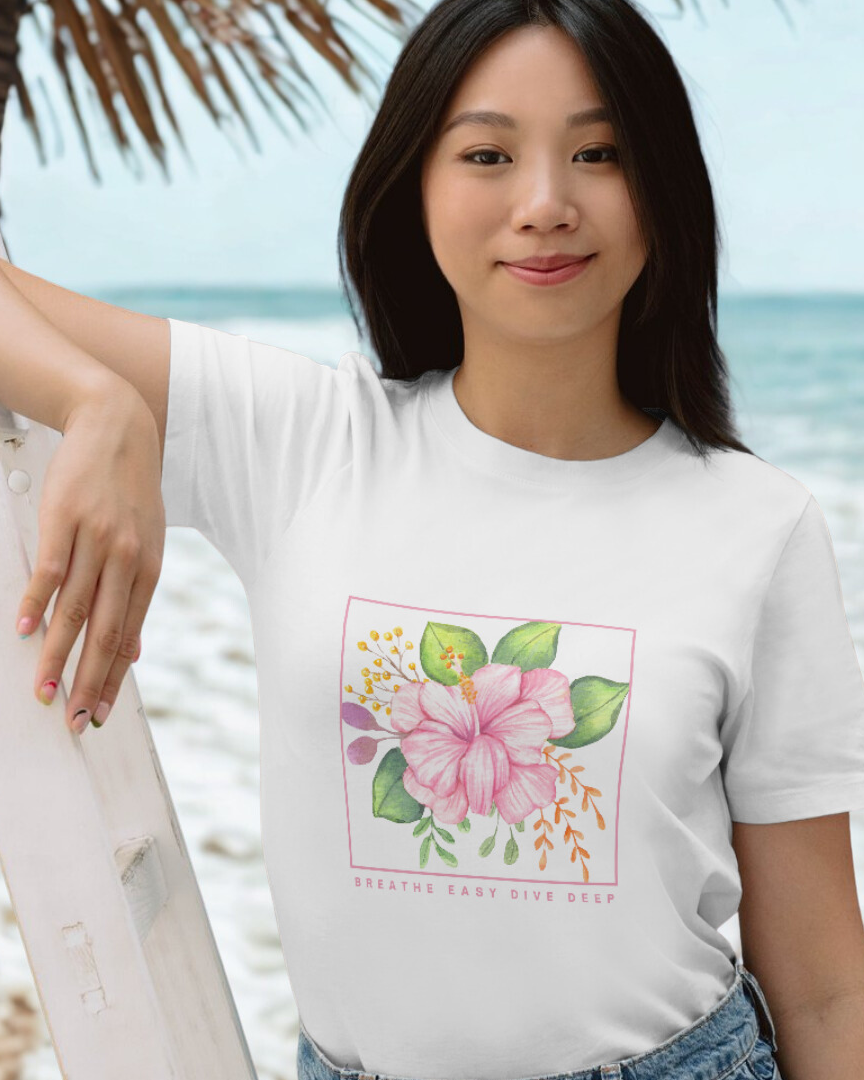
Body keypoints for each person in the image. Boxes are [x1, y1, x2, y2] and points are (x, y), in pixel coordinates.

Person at [1, 0, 863, 1077]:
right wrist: (97, 401)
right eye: (488, 155)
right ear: (414, 189)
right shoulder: (302, 441)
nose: (545, 205)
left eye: (599, 153)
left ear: (664, 193)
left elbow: (823, 987)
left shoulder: (759, 526)